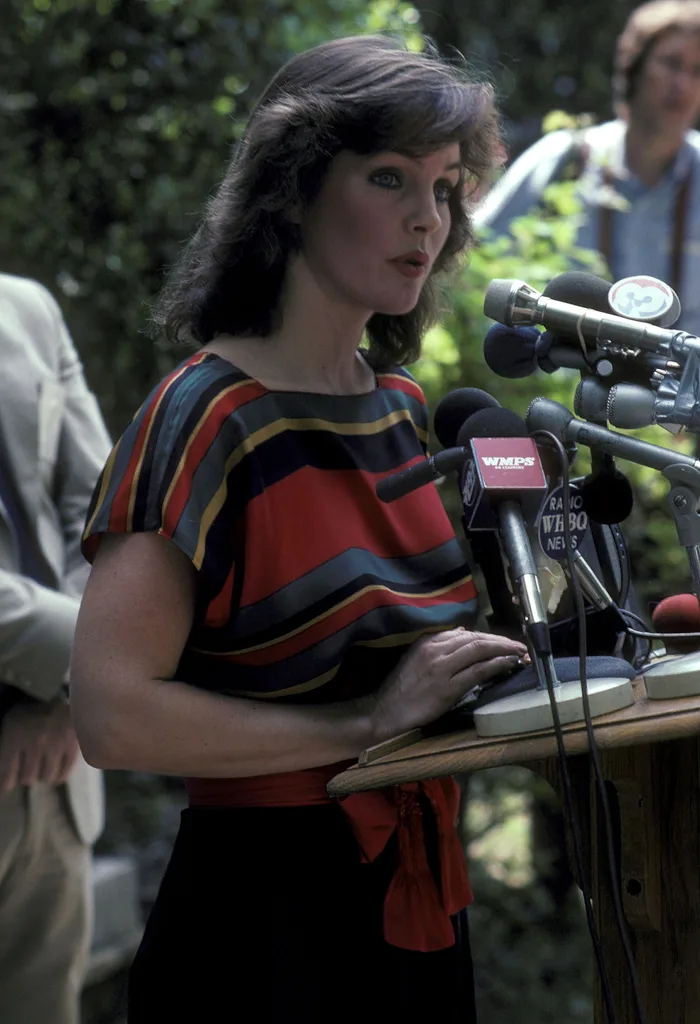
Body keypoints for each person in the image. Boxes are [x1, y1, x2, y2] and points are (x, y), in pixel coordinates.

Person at [69, 35, 528, 1023]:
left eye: (446, 188)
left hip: (417, 902)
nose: (426, 217)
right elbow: (107, 714)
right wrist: (359, 726)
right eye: (389, 176)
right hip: (263, 934)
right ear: (290, 190)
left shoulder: (405, 410)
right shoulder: (205, 415)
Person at [0, 272, 111, 1024]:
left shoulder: (26, 307)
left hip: (56, 776)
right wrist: (96, 668)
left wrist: (76, 698)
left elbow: (109, 510)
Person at [475, 0, 700, 332]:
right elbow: (475, 256)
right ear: (633, 67)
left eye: (697, 71)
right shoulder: (568, 159)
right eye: (671, 63)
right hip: (562, 378)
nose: (682, 84)